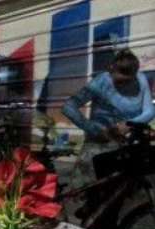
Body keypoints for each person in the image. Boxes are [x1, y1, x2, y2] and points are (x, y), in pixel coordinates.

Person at [61, 49, 155, 216]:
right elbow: (69, 106)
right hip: (99, 144)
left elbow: (149, 111)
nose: (122, 86)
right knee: (95, 194)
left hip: (125, 144)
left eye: (127, 82)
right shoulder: (100, 83)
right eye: (118, 82)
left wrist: (128, 124)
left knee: (118, 196)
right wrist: (94, 129)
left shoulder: (140, 80)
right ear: (111, 70)